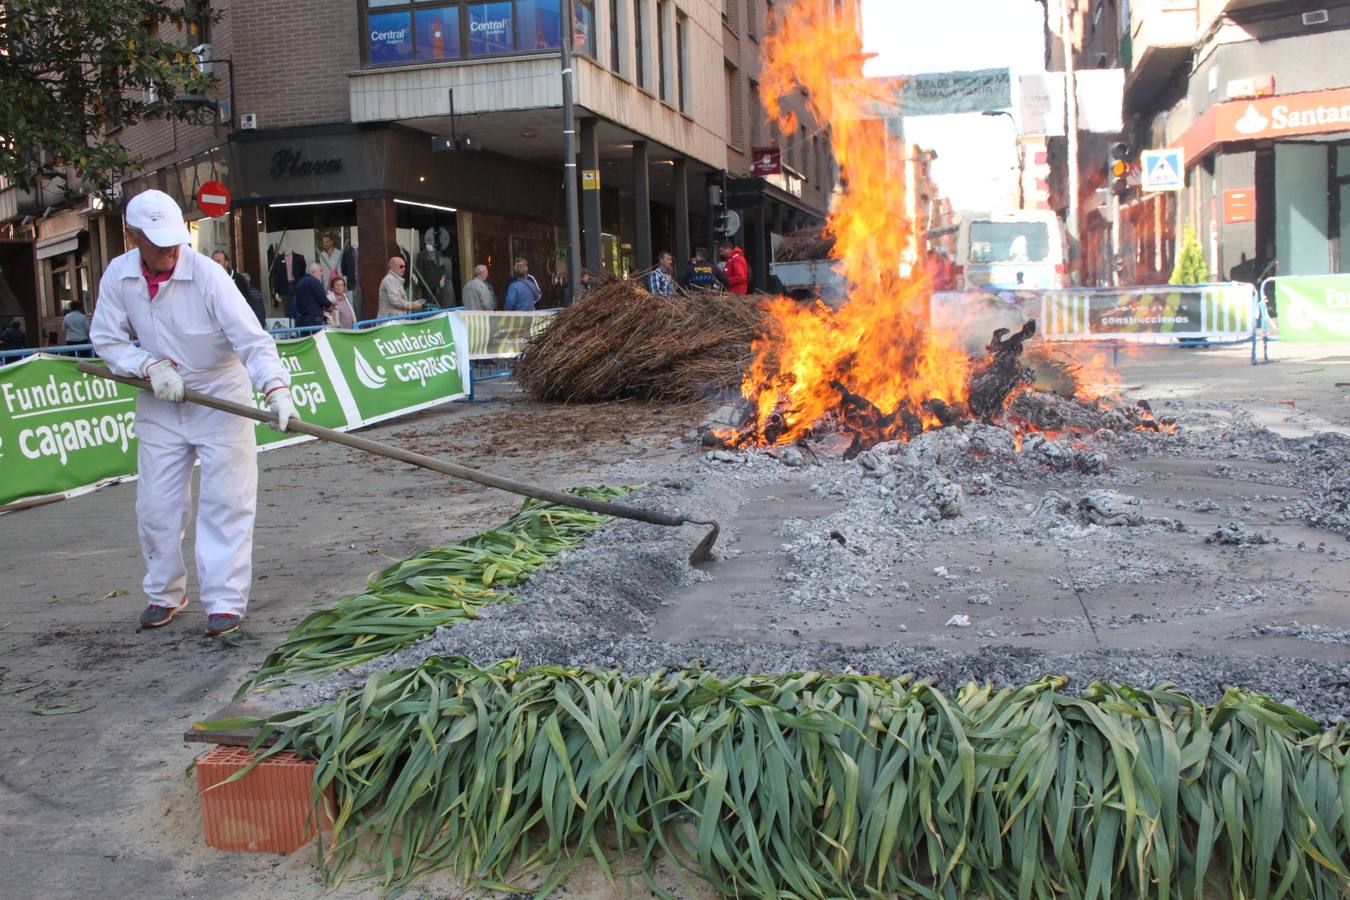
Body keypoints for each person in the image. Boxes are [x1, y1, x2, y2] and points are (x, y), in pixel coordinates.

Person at [88, 189, 297, 637]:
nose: (168, 250)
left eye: (173, 240)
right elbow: (106, 339)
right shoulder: (118, 276)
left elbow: (251, 340)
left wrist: (275, 388)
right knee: (157, 507)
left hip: (220, 397)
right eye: (156, 241)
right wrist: (147, 365)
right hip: (162, 399)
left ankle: (224, 601)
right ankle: (165, 592)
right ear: (132, 235)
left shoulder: (207, 275)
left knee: (226, 503)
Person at [212, 250, 264, 326]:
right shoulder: (210, 280)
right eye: (213, 261)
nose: (215, 264)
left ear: (226, 263)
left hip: (237, 323)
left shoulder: (238, 279)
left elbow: (248, 301)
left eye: (218, 261)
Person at [293, 262, 331, 328]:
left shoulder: (300, 283)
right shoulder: (314, 281)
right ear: (314, 272)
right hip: (314, 317)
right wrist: (330, 305)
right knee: (317, 337)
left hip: (302, 318)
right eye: (320, 271)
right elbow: (323, 299)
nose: (322, 274)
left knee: (307, 338)